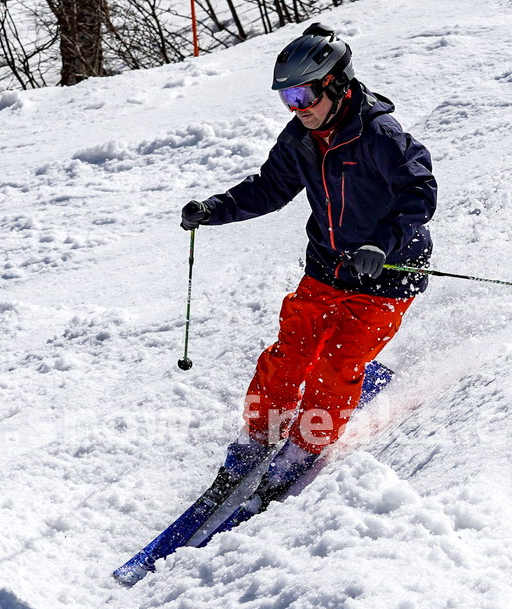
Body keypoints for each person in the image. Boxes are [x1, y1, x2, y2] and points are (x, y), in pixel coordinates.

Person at [180, 22, 437, 509]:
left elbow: (419, 192)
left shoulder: (381, 136)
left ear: (336, 84)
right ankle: (261, 436)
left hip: (387, 273)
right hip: (326, 265)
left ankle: (303, 446)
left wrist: (381, 246)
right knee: (290, 353)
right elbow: (269, 188)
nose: (297, 108)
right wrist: (215, 209)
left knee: (336, 364)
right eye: (287, 99)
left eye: (303, 94)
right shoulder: (301, 136)